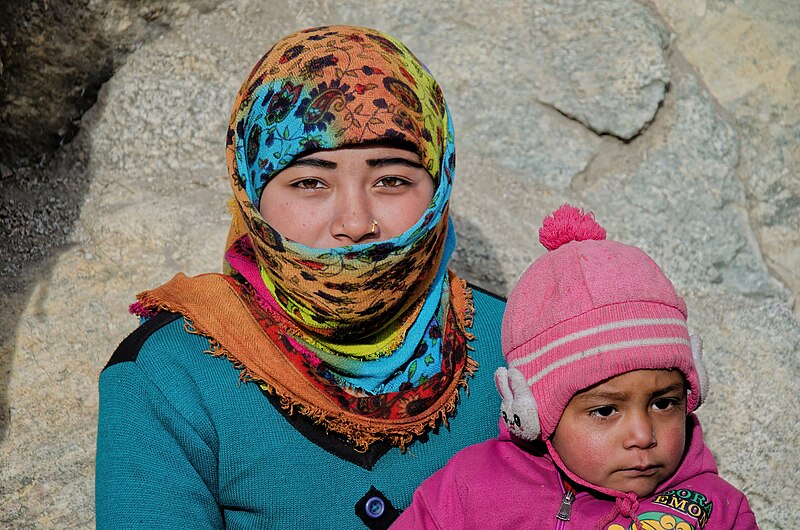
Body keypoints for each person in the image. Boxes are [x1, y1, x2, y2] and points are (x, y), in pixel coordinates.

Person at [95, 25, 507, 529]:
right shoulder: (170, 376)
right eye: (310, 182)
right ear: (251, 191)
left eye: (392, 179)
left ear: (440, 182)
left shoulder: (515, 344)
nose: (355, 224)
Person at [392, 205, 758, 530]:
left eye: (664, 403)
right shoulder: (470, 489)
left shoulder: (720, 513)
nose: (643, 435)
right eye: (605, 410)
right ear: (535, 414)